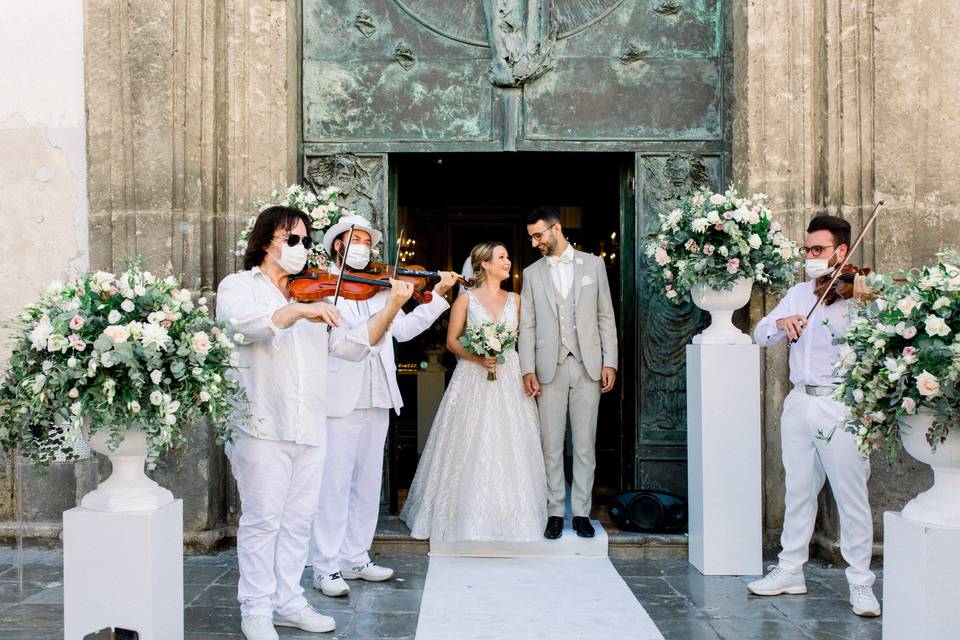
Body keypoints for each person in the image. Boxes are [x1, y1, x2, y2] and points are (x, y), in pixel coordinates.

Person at [216, 205, 414, 640]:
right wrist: (296, 312)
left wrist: (392, 305)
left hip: (310, 424)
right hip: (261, 422)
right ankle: (255, 608)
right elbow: (240, 326)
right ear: (266, 240)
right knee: (263, 520)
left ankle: (288, 601)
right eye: (293, 239)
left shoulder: (315, 294)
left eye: (306, 240)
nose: (302, 248)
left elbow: (351, 344)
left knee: (297, 521)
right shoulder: (238, 286)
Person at [309, 215, 458, 597]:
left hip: (378, 394)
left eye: (367, 240)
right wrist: (388, 304)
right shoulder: (323, 288)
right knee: (334, 483)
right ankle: (325, 566)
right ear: (338, 244)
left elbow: (403, 330)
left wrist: (437, 296)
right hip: (341, 396)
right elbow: (346, 341)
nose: (363, 246)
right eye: (355, 239)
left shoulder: (378, 289)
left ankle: (355, 557)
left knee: (367, 481)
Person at [749, 214, 881, 618]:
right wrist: (780, 320)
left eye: (818, 250)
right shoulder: (799, 292)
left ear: (842, 252)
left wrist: (866, 304)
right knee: (799, 490)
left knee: (850, 495)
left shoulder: (862, 293)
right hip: (800, 400)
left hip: (841, 401)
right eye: (807, 249)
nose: (810, 256)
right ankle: (790, 570)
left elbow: (881, 341)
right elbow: (760, 333)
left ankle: (861, 582)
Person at [400, 242, 548, 541]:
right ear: (484, 265)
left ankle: (509, 516)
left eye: (508, 256)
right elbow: (453, 341)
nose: (508, 261)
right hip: (472, 376)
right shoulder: (465, 301)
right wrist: (478, 358)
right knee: (468, 441)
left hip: (508, 374)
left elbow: (526, 340)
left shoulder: (517, 300)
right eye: (502, 257)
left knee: (510, 443)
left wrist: (526, 371)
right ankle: (461, 514)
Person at [519, 206, 618, 539]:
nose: (535, 242)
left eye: (539, 235)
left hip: (589, 365)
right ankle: (554, 511)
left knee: (585, 443)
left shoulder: (593, 264)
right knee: (551, 443)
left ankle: (582, 513)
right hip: (549, 368)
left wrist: (610, 361)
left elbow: (606, 316)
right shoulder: (532, 274)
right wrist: (526, 368)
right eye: (532, 236)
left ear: (556, 229)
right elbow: (527, 325)